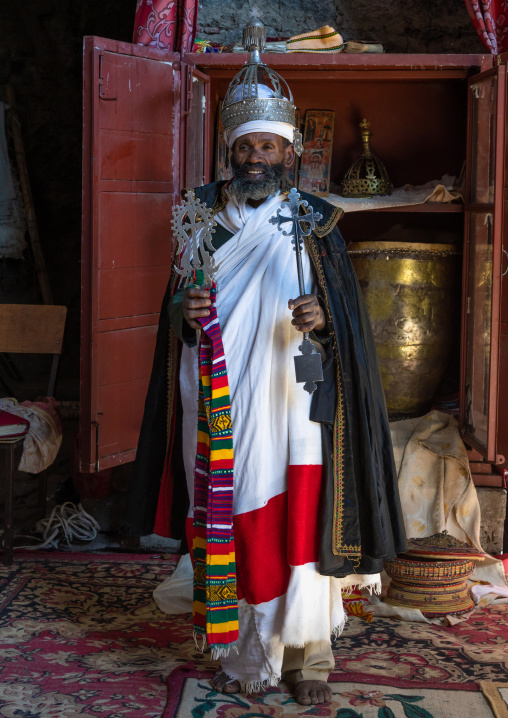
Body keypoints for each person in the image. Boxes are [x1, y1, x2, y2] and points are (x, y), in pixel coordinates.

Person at [123, 33, 406, 708]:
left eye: (268, 146)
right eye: (246, 145)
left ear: (290, 152)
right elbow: (176, 314)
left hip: (297, 399)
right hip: (219, 394)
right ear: (230, 150)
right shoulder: (199, 218)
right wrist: (186, 313)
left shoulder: (317, 224)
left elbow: (350, 324)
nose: (256, 157)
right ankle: (242, 647)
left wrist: (324, 319)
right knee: (232, 512)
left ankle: (310, 654)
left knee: (303, 517)